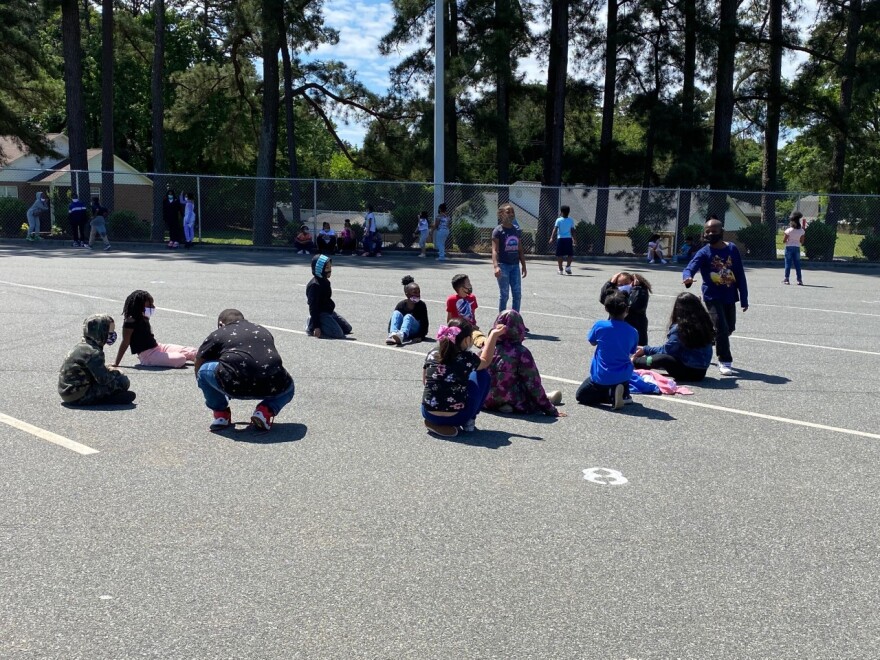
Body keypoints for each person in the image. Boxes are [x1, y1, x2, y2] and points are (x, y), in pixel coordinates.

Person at [194, 308, 295, 431]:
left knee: (203, 370)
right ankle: (265, 411)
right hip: (270, 386)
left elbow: (199, 359)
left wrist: (201, 381)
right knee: (288, 386)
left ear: (221, 323)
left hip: (234, 386)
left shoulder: (219, 333)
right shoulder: (262, 330)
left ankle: (221, 414)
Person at [682, 216, 748, 377]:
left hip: (729, 295)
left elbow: (739, 274)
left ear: (722, 232)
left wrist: (744, 298)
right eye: (708, 232)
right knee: (722, 328)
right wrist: (687, 277)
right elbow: (689, 268)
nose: (711, 234)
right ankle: (725, 361)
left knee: (729, 327)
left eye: (714, 231)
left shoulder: (732, 249)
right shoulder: (703, 252)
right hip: (712, 296)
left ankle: (706, 340)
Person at [421, 318, 506, 437]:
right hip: (457, 417)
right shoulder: (467, 358)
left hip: (428, 412)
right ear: (466, 340)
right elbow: (486, 361)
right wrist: (493, 335)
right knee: (482, 374)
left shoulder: (432, 352)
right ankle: (468, 421)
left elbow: (425, 381)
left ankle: (436, 422)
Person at [482, 309, 565, 417]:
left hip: (485, 400)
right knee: (528, 387)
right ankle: (546, 399)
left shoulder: (487, 349)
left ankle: (499, 404)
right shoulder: (521, 353)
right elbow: (533, 384)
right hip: (514, 399)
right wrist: (551, 410)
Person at [576, 291, 639, 410]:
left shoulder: (600, 325)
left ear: (606, 308)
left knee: (581, 396)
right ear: (627, 310)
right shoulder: (633, 331)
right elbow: (632, 350)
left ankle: (610, 397)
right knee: (624, 371)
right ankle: (623, 394)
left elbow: (592, 341)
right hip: (624, 374)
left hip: (602, 376)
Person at [632, 292, 715, 382]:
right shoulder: (705, 323)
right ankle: (645, 361)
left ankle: (636, 361)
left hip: (688, 371)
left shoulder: (681, 327)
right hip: (701, 372)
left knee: (663, 358)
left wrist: (646, 349)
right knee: (665, 357)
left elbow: (667, 350)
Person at [58, 314, 135, 405]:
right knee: (122, 381)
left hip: (66, 392)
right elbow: (103, 379)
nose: (112, 334)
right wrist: (117, 373)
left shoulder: (81, 346)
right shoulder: (94, 352)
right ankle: (107, 399)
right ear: (100, 331)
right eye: (110, 331)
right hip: (78, 395)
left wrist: (107, 369)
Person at [113, 290, 197, 368]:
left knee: (193, 352)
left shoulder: (143, 317)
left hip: (157, 347)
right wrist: (116, 363)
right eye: (150, 305)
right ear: (140, 305)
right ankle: (166, 358)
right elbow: (125, 342)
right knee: (180, 359)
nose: (153, 307)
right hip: (148, 355)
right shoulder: (130, 321)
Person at [306, 254, 353, 339]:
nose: (330, 270)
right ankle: (312, 324)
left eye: (330, 267)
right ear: (319, 269)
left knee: (348, 328)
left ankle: (326, 322)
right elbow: (313, 307)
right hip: (320, 313)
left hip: (328, 311)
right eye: (327, 268)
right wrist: (317, 327)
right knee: (338, 334)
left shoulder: (325, 281)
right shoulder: (315, 286)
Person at [492, 202, 527, 313]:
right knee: (504, 295)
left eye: (512, 212)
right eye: (508, 212)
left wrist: (524, 265)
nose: (511, 214)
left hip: (515, 266)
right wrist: (496, 266)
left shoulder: (516, 230)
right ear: (501, 214)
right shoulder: (498, 231)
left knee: (517, 294)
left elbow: (520, 249)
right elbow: (494, 250)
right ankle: (501, 320)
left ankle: (515, 321)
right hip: (503, 265)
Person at [386, 275, 430, 345]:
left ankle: (401, 335)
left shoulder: (421, 305)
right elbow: (392, 321)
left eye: (419, 292)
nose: (418, 294)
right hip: (401, 330)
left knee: (408, 316)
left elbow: (425, 323)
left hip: (414, 331)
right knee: (396, 313)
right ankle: (392, 334)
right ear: (407, 295)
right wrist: (389, 331)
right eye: (415, 293)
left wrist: (421, 337)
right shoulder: (401, 305)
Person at [626, 273, 652, 345]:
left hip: (637, 325)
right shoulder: (624, 292)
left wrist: (636, 288)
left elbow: (634, 305)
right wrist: (610, 283)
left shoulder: (641, 292)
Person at [549, 205, 575, 275]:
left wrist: (551, 237)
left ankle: (560, 269)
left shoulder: (558, 220)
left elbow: (555, 229)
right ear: (568, 212)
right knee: (570, 254)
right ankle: (568, 267)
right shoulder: (571, 220)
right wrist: (574, 239)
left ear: (562, 212)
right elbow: (572, 230)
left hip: (560, 239)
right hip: (568, 239)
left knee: (560, 254)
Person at [783, 212, 805, 285]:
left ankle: (786, 279)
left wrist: (788, 241)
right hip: (797, 248)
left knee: (788, 264)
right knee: (797, 264)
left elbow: (784, 240)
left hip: (789, 247)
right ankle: (799, 280)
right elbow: (802, 241)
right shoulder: (801, 231)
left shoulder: (788, 230)